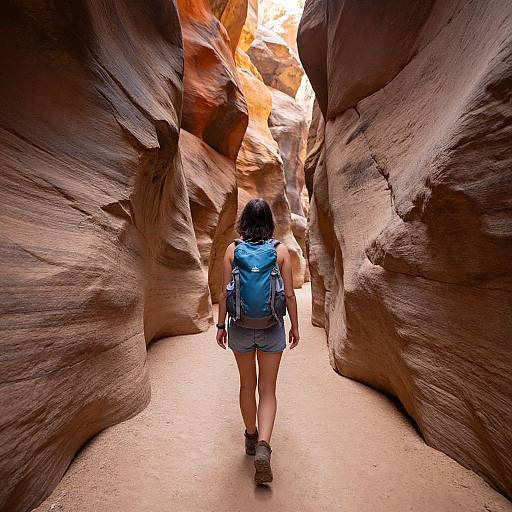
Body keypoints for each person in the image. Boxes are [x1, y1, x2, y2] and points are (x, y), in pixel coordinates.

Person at [215, 198, 300, 485]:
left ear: (244, 222)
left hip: (239, 327)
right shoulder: (280, 251)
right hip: (271, 327)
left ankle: (250, 437)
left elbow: (225, 293)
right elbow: (289, 295)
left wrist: (219, 326)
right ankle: (264, 444)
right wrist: (295, 326)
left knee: (246, 385)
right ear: (269, 222)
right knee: (268, 390)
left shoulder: (233, 250)